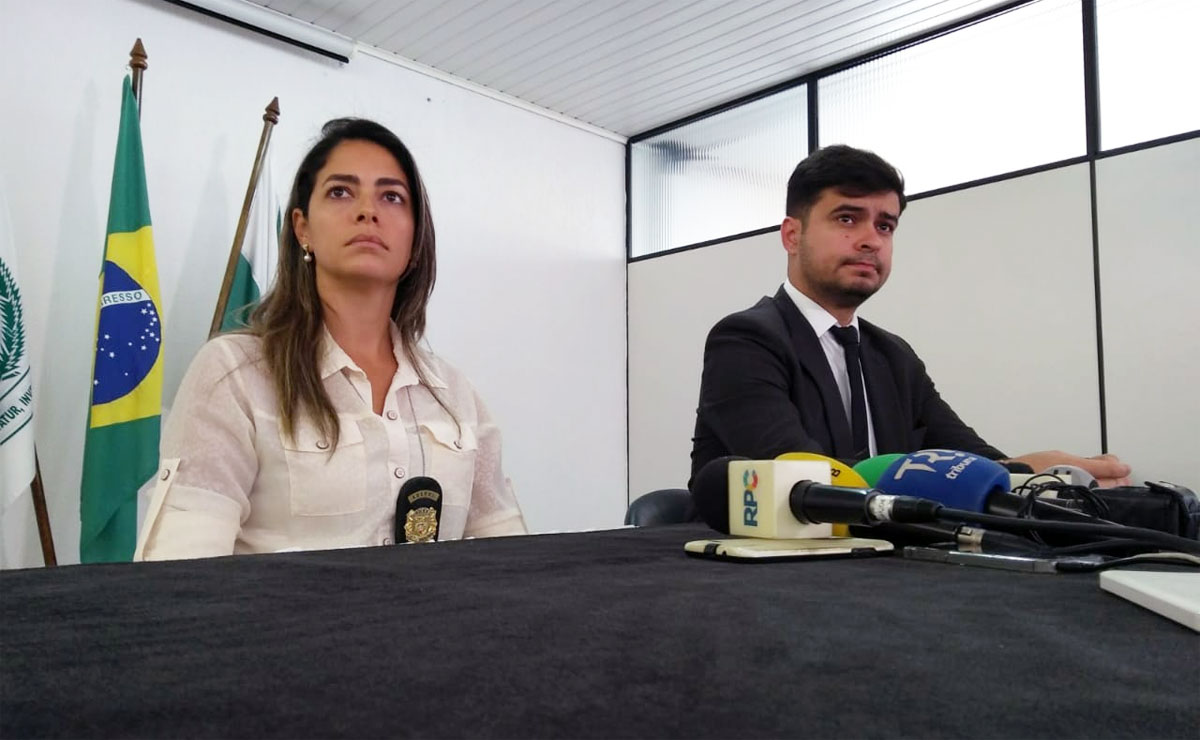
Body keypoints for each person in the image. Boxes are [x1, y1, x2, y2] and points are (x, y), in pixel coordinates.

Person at [136, 118, 526, 560]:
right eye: (341, 191)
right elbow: (181, 579)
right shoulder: (234, 375)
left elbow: (510, 562)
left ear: (415, 237)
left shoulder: (456, 396)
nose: (367, 210)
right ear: (302, 228)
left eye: (391, 196)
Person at [690, 145, 1130, 487]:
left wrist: (1039, 474)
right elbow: (802, 476)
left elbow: (967, 458)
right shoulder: (746, 340)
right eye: (847, 218)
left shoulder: (893, 356)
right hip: (747, 577)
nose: (871, 240)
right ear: (792, 235)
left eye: (885, 225)